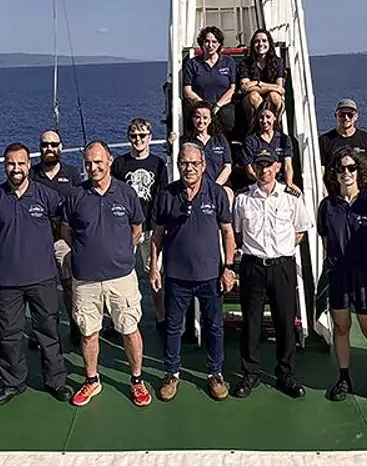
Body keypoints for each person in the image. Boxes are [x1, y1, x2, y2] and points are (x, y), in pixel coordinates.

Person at [0, 142, 73, 405]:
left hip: (42, 278)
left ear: (28, 165)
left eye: (21, 163)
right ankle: (13, 383)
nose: (16, 168)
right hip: (6, 281)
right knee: (9, 335)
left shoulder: (47, 196)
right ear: (4, 165)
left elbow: (57, 226)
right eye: (11, 163)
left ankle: (56, 381)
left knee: (48, 332)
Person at [62, 142, 151, 407]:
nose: (94, 167)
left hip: (121, 277)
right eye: (89, 163)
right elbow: (65, 229)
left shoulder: (126, 193)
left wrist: (119, 251)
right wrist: (84, 250)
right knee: (88, 332)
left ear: (110, 160)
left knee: (129, 329)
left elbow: (137, 228)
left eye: (99, 162)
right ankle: (92, 380)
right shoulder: (76, 195)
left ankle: (136, 379)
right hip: (85, 279)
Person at [150, 142, 236, 401]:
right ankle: (172, 373)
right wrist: (154, 267)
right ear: (178, 165)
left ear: (204, 165)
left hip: (210, 275)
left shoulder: (216, 193)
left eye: (194, 163)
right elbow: (157, 235)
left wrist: (228, 267)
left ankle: (215, 373)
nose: (189, 168)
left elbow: (228, 232)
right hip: (176, 275)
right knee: (173, 326)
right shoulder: (167, 194)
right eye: (184, 163)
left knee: (214, 326)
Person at [317, 149, 367, 406]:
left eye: (351, 168)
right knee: (341, 327)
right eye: (341, 168)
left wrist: (361, 256)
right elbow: (326, 240)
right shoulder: (327, 206)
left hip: (365, 275)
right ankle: (343, 378)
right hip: (339, 275)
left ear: (359, 172)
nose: (346, 173)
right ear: (334, 173)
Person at [231, 147, 312, 398]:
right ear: (254, 168)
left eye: (268, 165)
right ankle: (250, 372)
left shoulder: (291, 197)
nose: (264, 170)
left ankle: (286, 373)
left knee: (285, 321)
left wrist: (281, 250)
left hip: (282, 266)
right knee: (251, 322)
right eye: (260, 165)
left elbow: (300, 231)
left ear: (277, 167)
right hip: (253, 265)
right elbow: (238, 233)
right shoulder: (243, 198)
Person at [113, 119, 168, 328]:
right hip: (125, 228)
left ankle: (161, 314)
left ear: (150, 138)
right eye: (134, 136)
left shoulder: (158, 164)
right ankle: (121, 315)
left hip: (150, 228)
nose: (138, 140)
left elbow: (161, 196)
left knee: (154, 271)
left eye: (142, 135)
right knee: (122, 271)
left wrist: (157, 225)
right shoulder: (120, 164)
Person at [32, 130, 83, 344]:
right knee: (40, 289)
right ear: (40, 148)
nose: (49, 148)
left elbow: (79, 205)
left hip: (64, 240)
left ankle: (75, 325)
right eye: (45, 145)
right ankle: (42, 329)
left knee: (69, 285)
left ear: (61, 147)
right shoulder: (32, 174)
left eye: (54, 144)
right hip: (38, 241)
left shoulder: (72, 174)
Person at [181, 25, 238, 137]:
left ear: (219, 44)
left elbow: (232, 88)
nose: (210, 45)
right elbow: (187, 90)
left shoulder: (228, 62)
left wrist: (218, 105)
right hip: (200, 103)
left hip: (222, 104)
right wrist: (203, 105)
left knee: (228, 117)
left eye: (214, 42)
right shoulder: (192, 64)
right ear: (202, 43)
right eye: (207, 41)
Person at [240, 103, 296, 193]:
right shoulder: (250, 141)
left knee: (298, 195)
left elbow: (287, 166)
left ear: (275, 118)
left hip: (281, 183)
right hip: (258, 183)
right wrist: (267, 183)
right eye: (261, 117)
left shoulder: (284, 139)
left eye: (268, 117)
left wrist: (289, 185)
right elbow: (250, 172)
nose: (264, 121)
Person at [237, 27, 287, 120]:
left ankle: (274, 125)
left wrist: (257, 83)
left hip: (270, 97)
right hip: (249, 100)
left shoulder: (278, 62)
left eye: (264, 41)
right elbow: (245, 88)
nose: (260, 44)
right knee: (254, 96)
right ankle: (255, 127)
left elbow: (279, 88)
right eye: (257, 41)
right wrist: (269, 86)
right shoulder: (245, 63)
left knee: (275, 96)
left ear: (269, 43)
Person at [182, 101, 231, 188]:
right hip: (194, 187)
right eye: (197, 117)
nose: (201, 121)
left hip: (219, 185)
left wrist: (215, 186)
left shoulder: (220, 139)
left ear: (210, 120)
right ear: (192, 119)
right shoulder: (186, 141)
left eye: (205, 117)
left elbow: (227, 166)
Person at [319, 98, 367, 172]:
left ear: (356, 116)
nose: (346, 118)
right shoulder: (324, 141)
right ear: (336, 116)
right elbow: (321, 169)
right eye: (342, 114)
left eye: (350, 115)